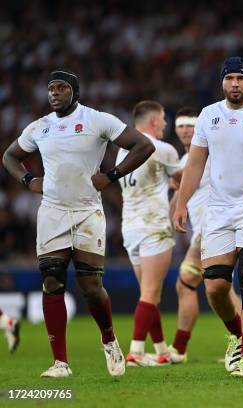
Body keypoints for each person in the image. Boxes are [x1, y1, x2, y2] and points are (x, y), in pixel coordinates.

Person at [2, 69, 155, 377]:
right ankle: (60, 363)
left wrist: (111, 175)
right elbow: (9, 156)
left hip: (87, 211)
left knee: (90, 285)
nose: (55, 93)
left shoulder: (98, 119)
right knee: (52, 281)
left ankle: (109, 340)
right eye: (51, 89)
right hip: (52, 211)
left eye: (61, 88)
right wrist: (28, 179)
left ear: (74, 91)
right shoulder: (40, 127)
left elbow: (143, 145)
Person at [174, 57, 243, 378]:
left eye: (241, 78)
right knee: (214, 286)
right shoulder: (209, 116)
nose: (235, 84)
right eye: (230, 79)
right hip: (218, 210)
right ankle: (237, 335)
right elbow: (196, 163)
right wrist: (181, 202)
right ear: (222, 82)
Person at [168, 107, 242, 362]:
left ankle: (178, 349)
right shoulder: (182, 161)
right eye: (181, 126)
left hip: (215, 226)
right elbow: (181, 194)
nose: (185, 130)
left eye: (191, 125)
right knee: (223, 288)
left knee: (186, 282)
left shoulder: (210, 154)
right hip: (202, 230)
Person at [118, 101, 182, 367]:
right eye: (164, 119)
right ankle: (134, 352)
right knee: (150, 294)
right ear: (154, 121)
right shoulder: (163, 149)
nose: (166, 124)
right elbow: (183, 178)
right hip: (153, 225)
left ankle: (162, 350)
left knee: (148, 292)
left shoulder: (122, 151)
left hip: (129, 227)